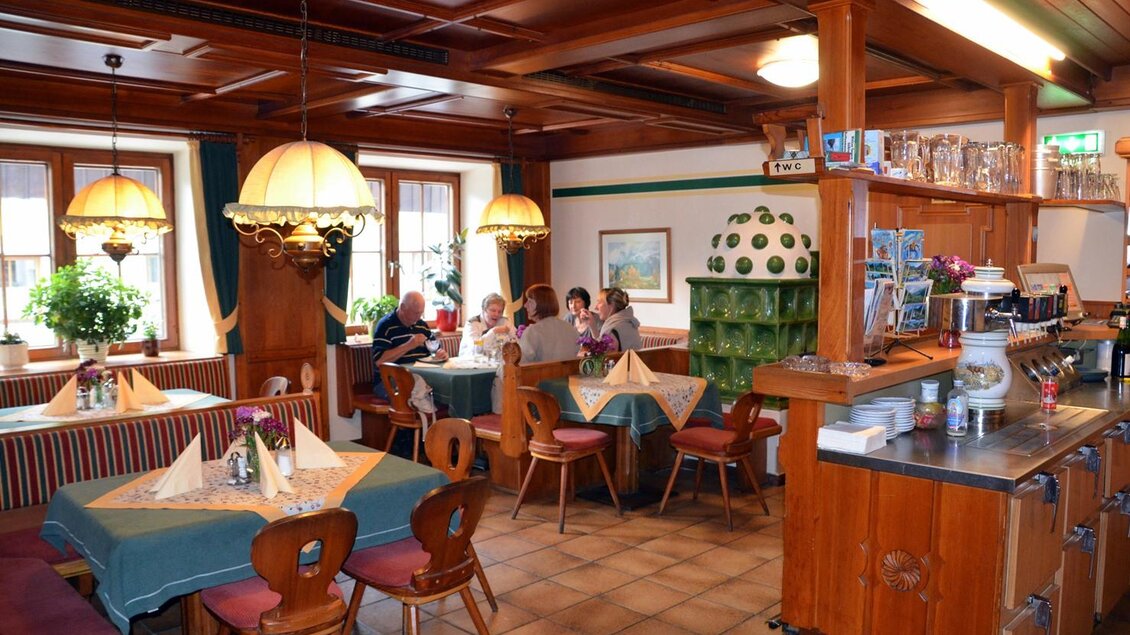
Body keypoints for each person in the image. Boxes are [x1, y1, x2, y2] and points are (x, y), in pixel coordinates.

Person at [371, 291, 447, 398]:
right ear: (402, 307)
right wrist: (409, 345)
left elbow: (435, 349)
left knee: (445, 391)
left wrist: (440, 354)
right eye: (416, 313)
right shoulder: (385, 326)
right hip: (390, 381)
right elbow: (379, 361)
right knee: (412, 394)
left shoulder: (422, 326)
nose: (419, 317)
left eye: (421, 313)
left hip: (422, 378)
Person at [519, 284, 581, 363]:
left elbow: (521, 364)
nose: (525, 305)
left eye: (530, 301)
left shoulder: (533, 332)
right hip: (567, 375)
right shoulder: (571, 329)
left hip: (541, 375)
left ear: (541, 304)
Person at [578, 287, 642, 352]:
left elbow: (603, 358)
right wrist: (592, 326)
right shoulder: (628, 322)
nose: (596, 307)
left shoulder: (612, 330)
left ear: (611, 305)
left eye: (599, 302)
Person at [459, 293, 512, 358]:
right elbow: (476, 346)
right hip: (470, 363)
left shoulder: (504, 322)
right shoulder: (472, 324)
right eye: (493, 310)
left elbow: (516, 340)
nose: (496, 314)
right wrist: (493, 332)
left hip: (493, 363)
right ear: (484, 310)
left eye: (500, 311)